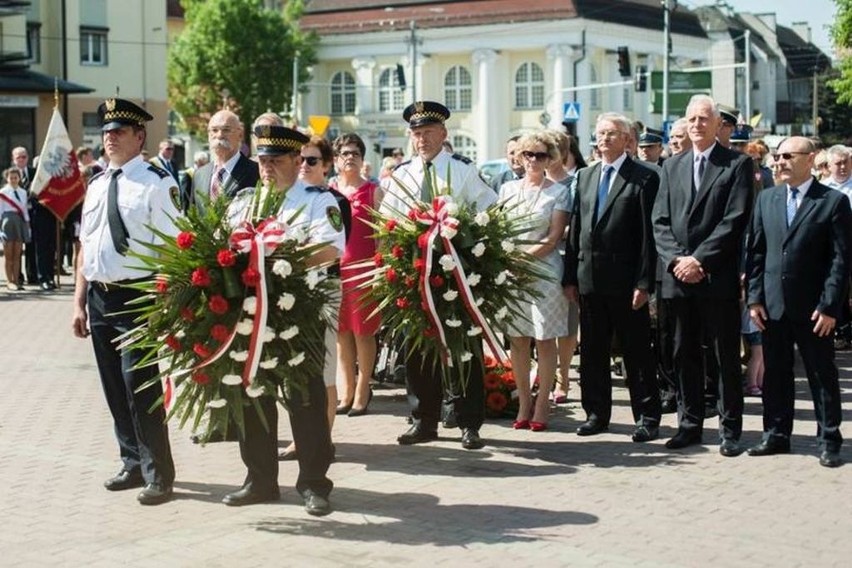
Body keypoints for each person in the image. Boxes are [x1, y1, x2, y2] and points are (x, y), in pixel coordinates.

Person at [222, 124, 341, 516]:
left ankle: (313, 483)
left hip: (298, 310)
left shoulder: (315, 201)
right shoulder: (242, 203)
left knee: (304, 398)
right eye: (263, 160)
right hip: (251, 312)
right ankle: (259, 479)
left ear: (295, 160)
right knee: (252, 394)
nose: (268, 168)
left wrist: (279, 266)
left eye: (276, 161)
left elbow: (329, 249)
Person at [71, 98, 180, 505]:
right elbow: (86, 245)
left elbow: (174, 247)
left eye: (119, 132)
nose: (110, 138)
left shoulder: (156, 182)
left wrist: (164, 303)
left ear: (139, 137)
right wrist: (78, 302)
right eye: (106, 132)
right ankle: (132, 462)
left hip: (139, 296)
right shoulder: (97, 184)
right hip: (99, 297)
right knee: (115, 386)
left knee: (140, 386)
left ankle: (159, 473)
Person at [380, 100, 496, 450]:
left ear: (444, 133)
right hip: (415, 273)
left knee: (463, 347)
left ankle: (468, 422)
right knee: (419, 348)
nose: (422, 139)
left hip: (455, 272)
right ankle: (423, 419)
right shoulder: (402, 174)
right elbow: (388, 223)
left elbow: (488, 212)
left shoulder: (462, 169)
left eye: (428, 132)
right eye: (416, 133)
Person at [652, 94, 753, 455]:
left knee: (724, 355)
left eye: (704, 119)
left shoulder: (736, 165)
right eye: (691, 119)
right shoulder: (671, 165)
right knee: (683, 353)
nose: (697, 125)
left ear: (717, 125)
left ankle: (730, 429)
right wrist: (678, 261)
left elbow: (735, 219)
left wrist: (700, 261)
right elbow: (660, 221)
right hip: (677, 280)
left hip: (715, 278)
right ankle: (689, 425)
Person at [746, 136, 851, 468]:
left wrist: (830, 306)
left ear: (811, 159)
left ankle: (829, 439)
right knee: (776, 372)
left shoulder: (832, 202)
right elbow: (758, 253)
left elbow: (840, 260)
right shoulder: (768, 199)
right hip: (773, 306)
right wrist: (755, 298)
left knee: (821, 373)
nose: (780, 162)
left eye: (788, 156)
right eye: (777, 156)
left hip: (815, 309)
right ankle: (776, 434)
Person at [564, 113, 662, 441]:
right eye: (600, 133)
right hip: (589, 278)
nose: (604, 139)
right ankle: (596, 413)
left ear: (627, 140)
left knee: (636, 352)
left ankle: (647, 416)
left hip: (627, 282)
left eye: (611, 134)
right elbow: (576, 228)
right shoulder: (587, 176)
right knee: (592, 351)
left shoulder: (644, 178)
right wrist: (570, 278)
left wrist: (645, 282)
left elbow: (650, 236)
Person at [278, 133, 348, 462]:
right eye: (300, 159)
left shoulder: (331, 201)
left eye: (312, 160)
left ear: (326, 165)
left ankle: (325, 437)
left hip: (324, 287)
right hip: (287, 292)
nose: (304, 165)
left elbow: (333, 250)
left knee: (324, 369)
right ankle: (303, 437)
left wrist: (282, 259)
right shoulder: (279, 197)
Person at [499, 132, 571, 431]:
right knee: (517, 340)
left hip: (544, 271)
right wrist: (507, 261)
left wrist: (522, 258)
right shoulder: (506, 189)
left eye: (540, 155)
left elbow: (554, 237)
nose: (532, 160)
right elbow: (498, 229)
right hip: (512, 271)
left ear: (550, 158)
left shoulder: (558, 192)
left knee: (544, 338)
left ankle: (543, 403)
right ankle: (524, 402)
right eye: (528, 154)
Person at [329, 133, 382, 418]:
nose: (350, 157)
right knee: (341, 335)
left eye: (356, 153)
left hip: (364, 271)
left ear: (363, 159)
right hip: (335, 272)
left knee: (364, 333)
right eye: (345, 153)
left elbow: (383, 236)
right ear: (335, 160)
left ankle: (363, 389)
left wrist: (380, 270)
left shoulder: (374, 191)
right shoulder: (329, 192)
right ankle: (346, 391)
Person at [544, 130, 585, 403]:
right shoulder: (530, 182)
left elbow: (581, 221)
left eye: (553, 150)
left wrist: (559, 230)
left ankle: (564, 374)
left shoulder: (575, 183)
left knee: (568, 323)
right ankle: (545, 373)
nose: (547, 158)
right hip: (538, 260)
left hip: (565, 256)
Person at [182, 109, 260, 211]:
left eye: (226, 130)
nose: (219, 135)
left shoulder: (256, 172)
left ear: (240, 135)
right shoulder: (199, 175)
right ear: (209, 135)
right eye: (214, 130)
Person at [14, 146, 54, 289]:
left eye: (24, 156)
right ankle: (17, 277)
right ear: (14, 159)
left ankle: (33, 276)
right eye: (19, 157)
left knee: (33, 246)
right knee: (17, 248)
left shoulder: (34, 173)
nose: (22, 159)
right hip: (16, 216)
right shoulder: (9, 174)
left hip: (34, 214)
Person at [0, 168, 30, 291]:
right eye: (11, 178)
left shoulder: (23, 192)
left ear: (19, 178)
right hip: (7, 221)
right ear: (7, 178)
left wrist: (27, 224)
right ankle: (9, 281)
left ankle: (16, 280)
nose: (13, 180)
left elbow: (24, 209)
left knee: (18, 253)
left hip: (19, 221)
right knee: (8, 254)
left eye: (15, 177)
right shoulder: (2, 192)